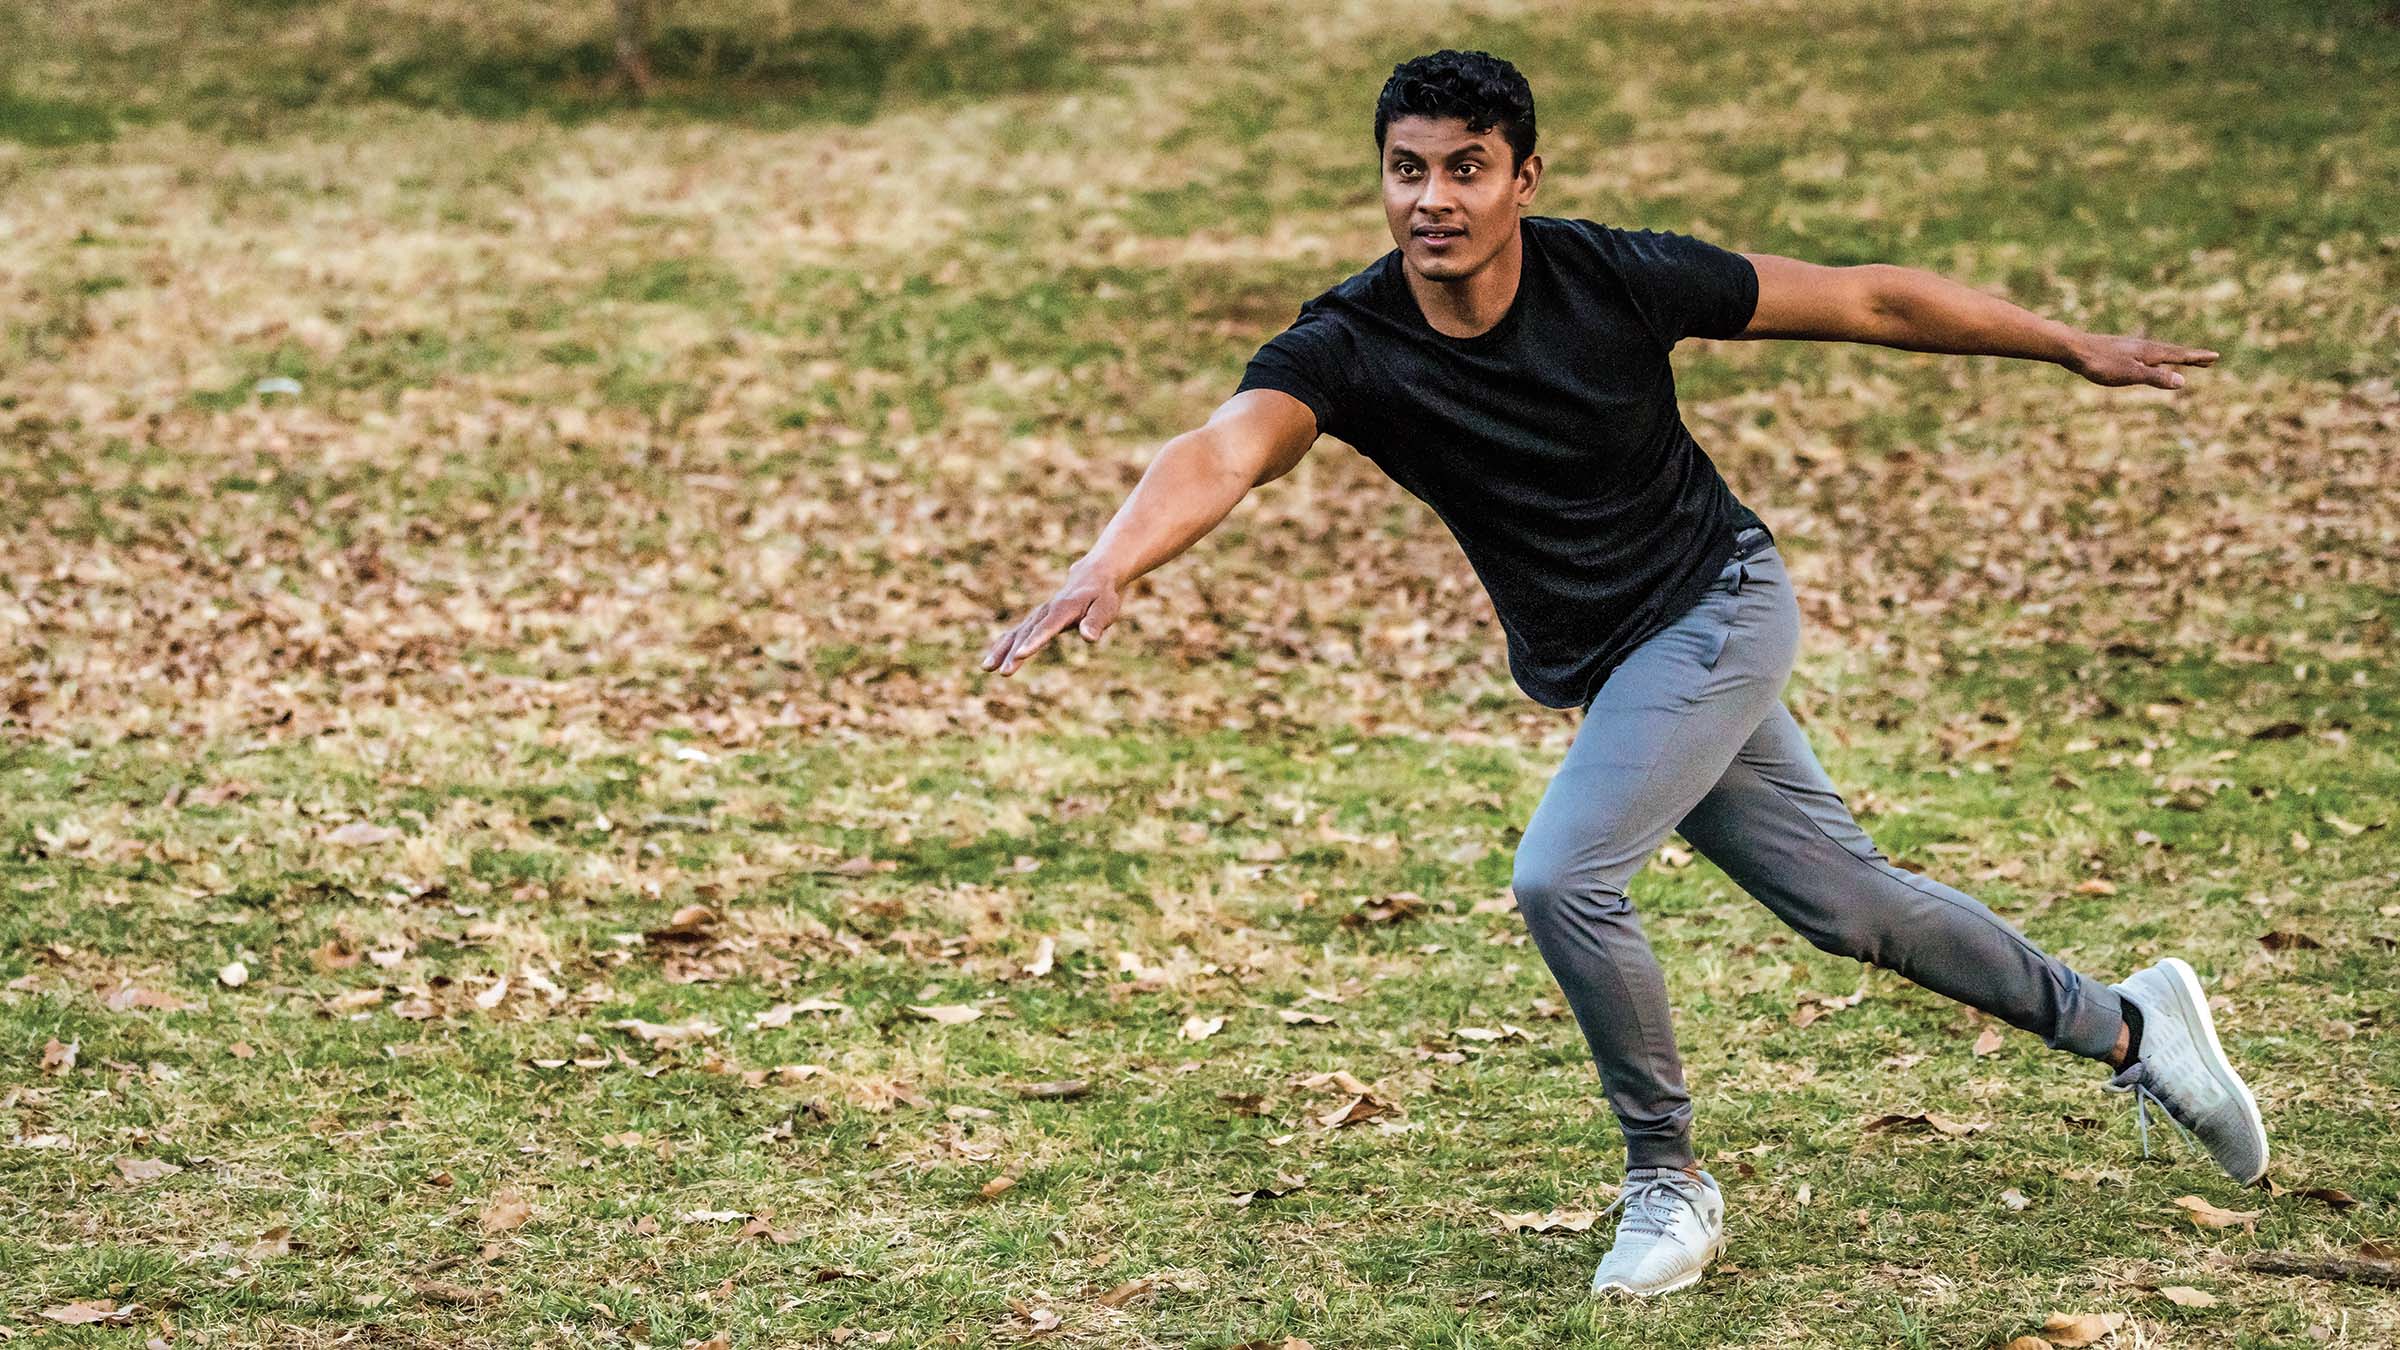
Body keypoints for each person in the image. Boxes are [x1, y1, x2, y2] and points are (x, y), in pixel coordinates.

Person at [976, 49, 2267, 1299]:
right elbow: (1225, 448)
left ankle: (1668, 1177)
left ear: (1524, 178)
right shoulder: (1353, 341)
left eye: (1466, 169)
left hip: (1720, 605)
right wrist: (1113, 559)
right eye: (1406, 170)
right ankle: (2132, 1029)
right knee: (1852, 904)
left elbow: (1869, 301)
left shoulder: (1616, 277)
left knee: (1563, 874)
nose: (1433, 200)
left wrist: (2063, 344)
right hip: (1616, 661)